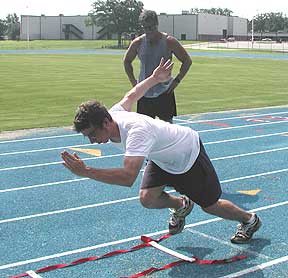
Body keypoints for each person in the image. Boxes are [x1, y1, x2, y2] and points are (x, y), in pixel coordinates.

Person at [61, 59, 261, 244]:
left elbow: (128, 177)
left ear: (105, 122)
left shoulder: (136, 132)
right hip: (161, 156)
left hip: (187, 154)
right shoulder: (113, 114)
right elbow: (132, 95)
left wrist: (86, 171)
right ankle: (182, 205)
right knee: (148, 198)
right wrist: (155, 78)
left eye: (92, 134)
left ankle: (249, 220)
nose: (92, 141)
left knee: (210, 206)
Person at [123, 10, 192, 123]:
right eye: (145, 28)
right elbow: (126, 61)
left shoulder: (169, 41)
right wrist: (134, 83)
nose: (149, 31)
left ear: (157, 24)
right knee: (145, 129)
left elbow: (187, 61)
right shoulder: (138, 42)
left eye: (151, 27)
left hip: (165, 92)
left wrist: (177, 80)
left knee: (168, 129)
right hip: (144, 93)